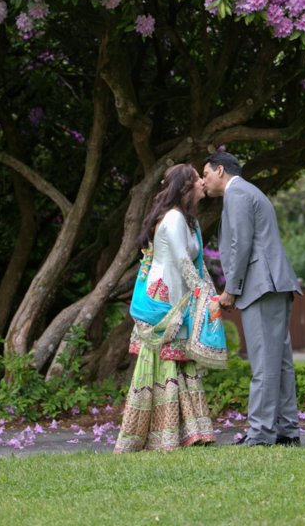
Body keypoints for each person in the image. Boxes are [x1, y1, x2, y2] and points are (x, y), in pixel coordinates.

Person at [114, 163, 222, 452]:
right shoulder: (173, 218)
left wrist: (212, 295)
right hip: (164, 301)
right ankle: (159, 436)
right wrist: (201, 293)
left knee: (180, 361)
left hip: (179, 298)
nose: (202, 182)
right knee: (165, 361)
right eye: (198, 178)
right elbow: (182, 262)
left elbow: (197, 265)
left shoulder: (189, 222)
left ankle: (190, 432)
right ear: (186, 186)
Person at [202, 150, 302, 446]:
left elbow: (241, 243)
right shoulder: (246, 192)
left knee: (264, 363)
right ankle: (286, 430)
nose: (203, 181)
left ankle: (260, 434)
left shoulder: (238, 194)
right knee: (278, 362)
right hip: (270, 285)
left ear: (220, 170)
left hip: (262, 286)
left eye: (205, 174)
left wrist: (230, 289)